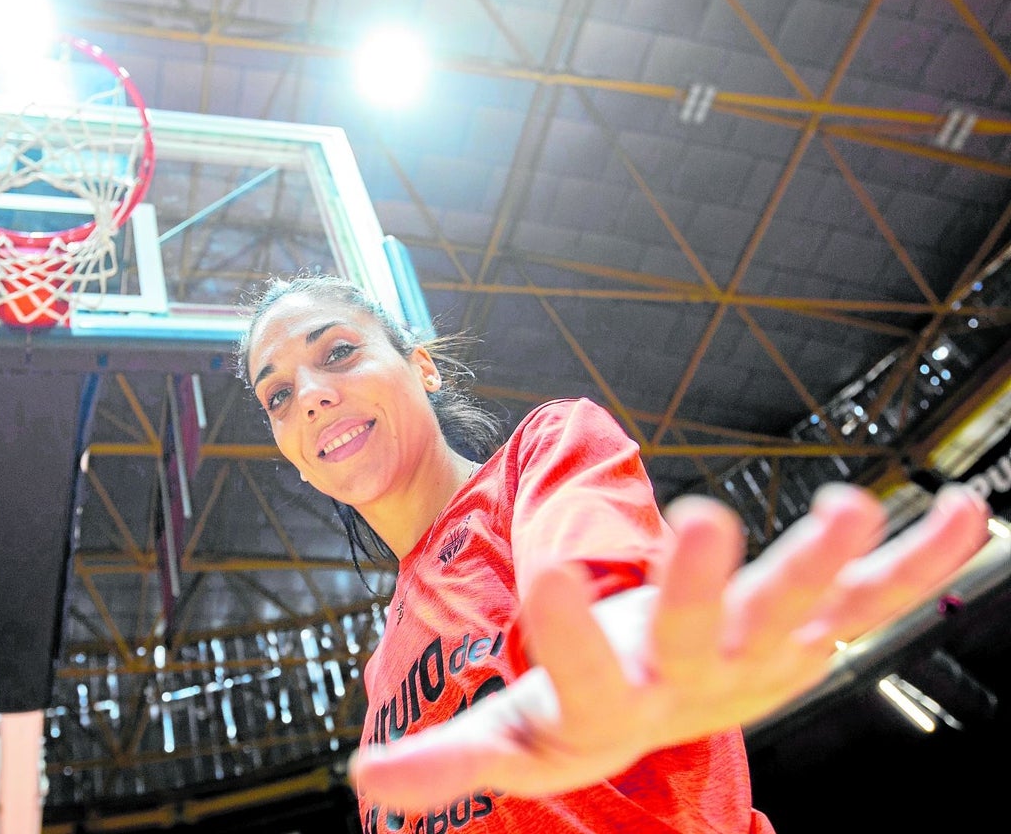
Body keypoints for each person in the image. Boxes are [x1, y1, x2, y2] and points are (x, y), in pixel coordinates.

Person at [236, 272, 992, 833]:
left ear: (424, 367)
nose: (309, 394)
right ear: (297, 458)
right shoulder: (384, 670)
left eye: (337, 352)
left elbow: (597, 584)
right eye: (276, 396)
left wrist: (622, 644)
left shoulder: (545, 455)